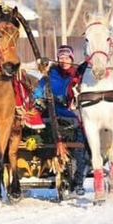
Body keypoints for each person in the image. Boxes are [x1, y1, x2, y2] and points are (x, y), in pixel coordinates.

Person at [33, 45, 90, 196]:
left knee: (81, 145)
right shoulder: (50, 75)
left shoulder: (78, 75)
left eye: (67, 57)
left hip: (73, 116)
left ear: (72, 59)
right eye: (61, 58)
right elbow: (38, 94)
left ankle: (78, 182)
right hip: (52, 116)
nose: (64, 60)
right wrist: (40, 101)